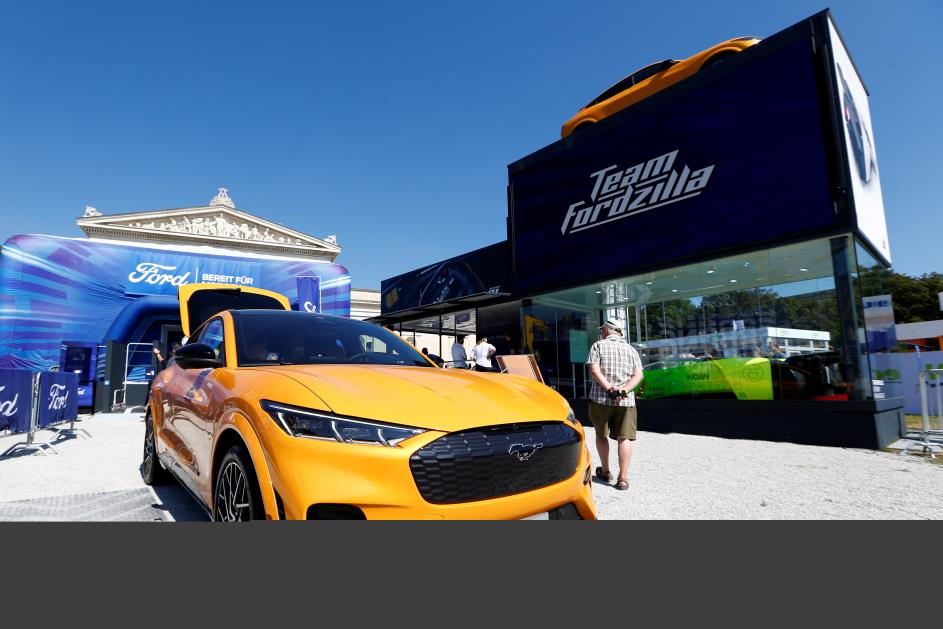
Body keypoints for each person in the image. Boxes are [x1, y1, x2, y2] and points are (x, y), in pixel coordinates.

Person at [587, 320, 644, 491]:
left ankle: (605, 471)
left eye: (602, 330)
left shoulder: (598, 346)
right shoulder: (631, 349)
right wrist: (624, 390)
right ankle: (623, 479)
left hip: (601, 399)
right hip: (626, 401)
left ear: (606, 330)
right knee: (624, 438)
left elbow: (594, 370)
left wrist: (610, 389)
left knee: (601, 434)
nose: (601, 333)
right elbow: (639, 375)